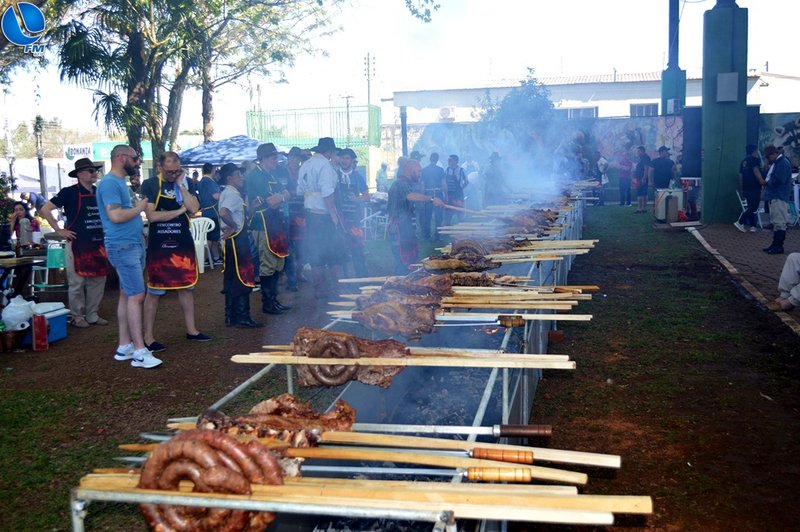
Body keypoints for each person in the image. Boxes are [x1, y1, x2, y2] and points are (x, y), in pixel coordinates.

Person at [96, 145, 160, 368]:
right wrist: (140, 207)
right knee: (136, 296)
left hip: (130, 244)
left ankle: (125, 346)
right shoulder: (110, 183)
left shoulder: (119, 183)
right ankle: (140, 351)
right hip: (123, 245)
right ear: (121, 158)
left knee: (127, 294)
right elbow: (115, 215)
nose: (137, 162)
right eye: (135, 158)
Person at [141, 151, 209, 353]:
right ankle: (148, 337)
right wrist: (179, 211)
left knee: (186, 287)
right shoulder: (150, 184)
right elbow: (152, 216)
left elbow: (194, 208)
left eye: (176, 170)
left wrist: (181, 185)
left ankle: (192, 330)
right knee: (154, 290)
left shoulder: (186, 183)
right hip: (159, 246)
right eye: (169, 171)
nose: (173, 174)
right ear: (160, 167)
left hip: (182, 243)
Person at [38, 158, 110, 328]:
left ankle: (92, 314)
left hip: (98, 243)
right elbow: (45, 209)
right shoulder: (68, 192)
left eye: (95, 171)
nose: (94, 174)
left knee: (98, 279)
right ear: (80, 174)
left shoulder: (98, 192)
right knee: (77, 282)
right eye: (91, 171)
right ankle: (77, 316)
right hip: (76, 244)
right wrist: (58, 230)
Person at [246, 143, 291, 314]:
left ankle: (274, 300)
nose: (276, 160)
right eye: (273, 157)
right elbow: (272, 202)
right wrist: (281, 197)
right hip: (262, 223)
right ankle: (268, 303)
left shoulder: (271, 174)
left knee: (278, 263)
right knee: (268, 264)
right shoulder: (256, 175)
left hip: (275, 222)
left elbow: (287, 193)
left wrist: (280, 197)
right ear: (264, 158)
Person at [217, 163, 262, 328]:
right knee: (243, 276)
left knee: (231, 278)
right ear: (229, 178)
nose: (241, 177)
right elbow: (224, 212)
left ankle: (230, 316)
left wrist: (252, 208)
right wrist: (233, 226)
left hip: (232, 241)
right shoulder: (232, 194)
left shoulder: (228, 192)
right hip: (238, 241)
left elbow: (242, 217)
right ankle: (243, 316)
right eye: (238, 174)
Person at [298, 137, 344, 296]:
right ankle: (338, 289)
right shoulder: (325, 165)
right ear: (329, 152)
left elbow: (299, 190)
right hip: (324, 216)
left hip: (310, 215)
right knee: (335, 252)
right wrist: (334, 216)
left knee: (316, 252)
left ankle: (319, 290)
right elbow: (327, 193)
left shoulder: (306, 164)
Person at [387, 159, 444, 274]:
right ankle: (400, 284)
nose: (420, 174)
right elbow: (410, 196)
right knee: (403, 263)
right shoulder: (400, 184)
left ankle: (406, 282)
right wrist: (432, 199)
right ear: (411, 170)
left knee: (409, 263)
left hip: (406, 230)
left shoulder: (406, 184)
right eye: (418, 171)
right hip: (399, 230)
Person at [335, 147, 369, 277]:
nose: (344, 161)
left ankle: (362, 279)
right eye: (342, 158)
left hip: (354, 220)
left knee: (357, 251)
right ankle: (344, 281)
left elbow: (366, 196)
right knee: (340, 252)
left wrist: (356, 199)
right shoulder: (334, 175)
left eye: (347, 158)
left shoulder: (357, 176)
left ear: (352, 160)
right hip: (339, 220)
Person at [284, 147, 309, 291]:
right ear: (288, 158)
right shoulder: (281, 171)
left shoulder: (303, 171)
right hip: (286, 212)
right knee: (286, 247)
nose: (294, 160)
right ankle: (289, 277)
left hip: (301, 212)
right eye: (292, 157)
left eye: (296, 157)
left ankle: (299, 272)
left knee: (301, 246)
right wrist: (295, 192)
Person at [762, 144, 793, 254]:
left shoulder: (782, 163)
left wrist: (768, 183)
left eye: (768, 157)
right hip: (775, 196)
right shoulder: (779, 163)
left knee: (779, 222)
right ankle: (775, 244)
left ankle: (778, 246)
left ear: (773, 154)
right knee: (776, 222)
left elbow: (779, 180)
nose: (768, 159)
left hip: (779, 196)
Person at [6, 201, 40, 297]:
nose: (18, 212)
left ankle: (19, 293)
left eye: (21, 209)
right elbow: (9, 235)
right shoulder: (16, 223)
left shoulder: (32, 222)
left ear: (25, 211)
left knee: (25, 268)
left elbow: (35, 237)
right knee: (15, 267)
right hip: (18, 250)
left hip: (30, 249)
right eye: (16, 210)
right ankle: (16, 293)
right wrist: (12, 221)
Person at [734, 145, 765, 233]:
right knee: (754, 207)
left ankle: (753, 226)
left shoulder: (744, 161)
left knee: (750, 206)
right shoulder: (755, 160)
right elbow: (756, 171)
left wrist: (742, 188)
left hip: (746, 187)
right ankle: (740, 221)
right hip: (754, 187)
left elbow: (740, 176)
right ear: (754, 151)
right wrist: (762, 181)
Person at [197, 162, 222, 265]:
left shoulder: (203, 180)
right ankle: (207, 259)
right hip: (211, 213)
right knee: (211, 238)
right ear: (212, 170)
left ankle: (214, 257)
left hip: (207, 212)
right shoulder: (208, 181)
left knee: (211, 237)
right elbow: (216, 196)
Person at [419, 152, 445, 239]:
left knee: (428, 215)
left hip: (428, 194)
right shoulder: (440, 170)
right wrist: (446, 195)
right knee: (438, 216)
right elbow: (444, 184)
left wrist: (422, 197)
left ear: (430, 159)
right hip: (438, 194)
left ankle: (427, 235)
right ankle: (437, 235)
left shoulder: (424, 170)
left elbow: (422, 185)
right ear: (437, 160)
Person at [442, 154, 468, 226]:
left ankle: (462, 229)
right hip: (449, 195)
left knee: (460, 214)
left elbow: (466, 181)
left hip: (458, 196)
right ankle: (447, 229)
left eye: (450, 160)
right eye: (448, 160)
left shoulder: (461, 170)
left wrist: (461, 188)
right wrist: (445, 195)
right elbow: (444, 182)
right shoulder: (446, 170)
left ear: (456, 161)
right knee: (448, 215)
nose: (448, 161)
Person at [633, 146, 651, 213]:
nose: (637, 153)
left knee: (642, 193)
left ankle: (642, 208)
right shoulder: (641, 158)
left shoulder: (645, 157)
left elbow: (646, 168)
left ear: (642, 151)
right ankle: (640, 208)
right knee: (640, 193)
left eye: (638, 151)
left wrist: (644, 178)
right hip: (638, 178)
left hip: (642, 178)